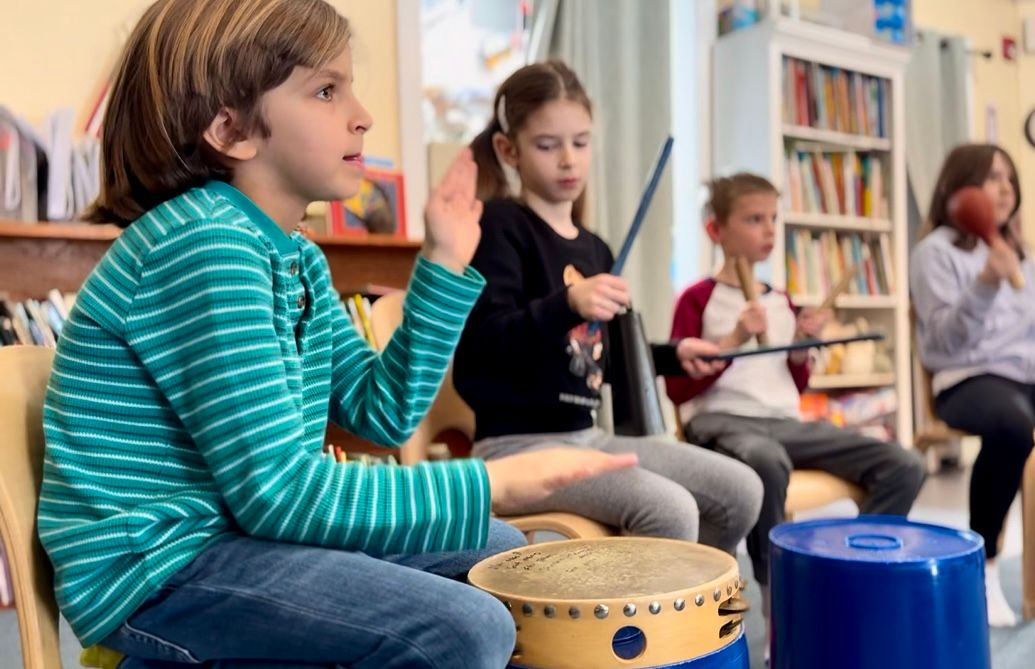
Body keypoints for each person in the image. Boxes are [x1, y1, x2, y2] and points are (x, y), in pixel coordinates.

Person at [38, 3, 637, 667]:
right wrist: (489, 481)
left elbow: (380, 415)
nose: (363, 114)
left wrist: (440, 262)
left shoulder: (294, 255)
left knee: (500, 555)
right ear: (230, 129)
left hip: (237, 532)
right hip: (159, 570)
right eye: (327, 90)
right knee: (467, 629)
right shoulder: (205, 245)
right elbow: (279, 493)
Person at [455, 60, 763, 556]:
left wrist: (672, 354)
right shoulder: (498, 227)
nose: (568, 161)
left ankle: (692, 612)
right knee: (669, 508)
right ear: (507, 150)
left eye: (581, 142)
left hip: (589, 439)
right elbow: (485, 347)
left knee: (741, 489)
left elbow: (607, 359)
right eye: (547, 145)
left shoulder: (596, 249)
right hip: (517, 448)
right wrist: (567, 304)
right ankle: (649, 630)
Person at [668, 172, 925, 632]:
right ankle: (775, 592)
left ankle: (847, 570)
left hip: (783, 421)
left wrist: (803, 345)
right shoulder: (697, 297)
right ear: (716, 231)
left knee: (903, 464)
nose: (768, 230)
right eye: (753, 219)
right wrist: (734, 337)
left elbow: (791, 383)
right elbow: (678, 390)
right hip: (720, 420)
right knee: (767, 459)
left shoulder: (781, 299)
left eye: (773, 218)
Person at [911, 143, 1033, 627]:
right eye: (991, 177)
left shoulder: (1018, 249)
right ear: (959, 190)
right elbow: (941, 342)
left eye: (1010, 177)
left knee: (1018, 413)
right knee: (1012, 425)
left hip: (1024, 376)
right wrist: (984, 282)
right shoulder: (934, 252)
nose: (1005, 187)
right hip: (966, 379)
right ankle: (982, 565)